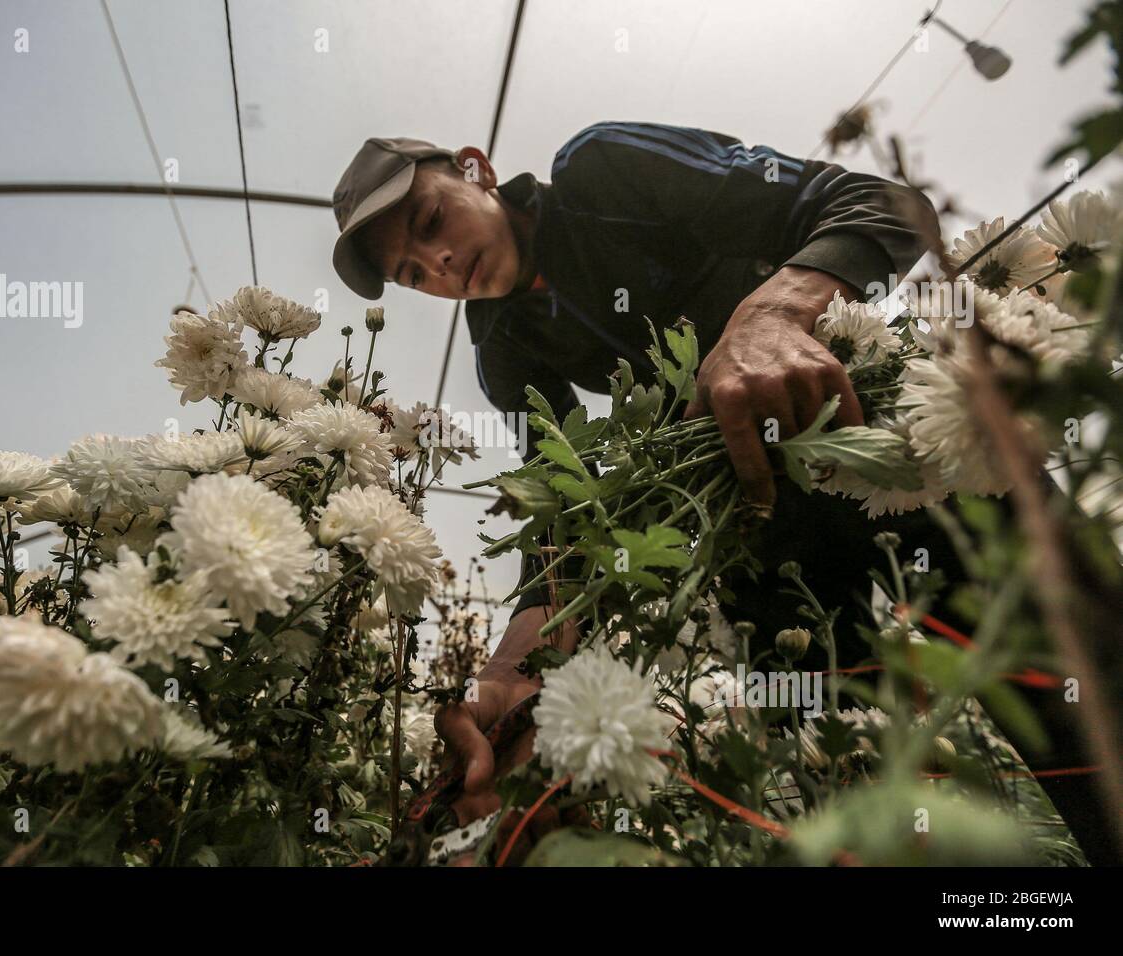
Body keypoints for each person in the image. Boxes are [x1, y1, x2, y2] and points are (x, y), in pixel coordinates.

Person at [330, 122, 1116, 863]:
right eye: (410, 275)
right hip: (770, 555)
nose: (436, 266)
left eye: (431, 222)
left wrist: (771, 315)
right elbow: (560, 515)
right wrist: (513, 670)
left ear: (476, 168)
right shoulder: (504, 351)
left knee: (1085, 694)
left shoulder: (601, 171)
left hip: (894, 448)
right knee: (848, 798)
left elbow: (885, 206)